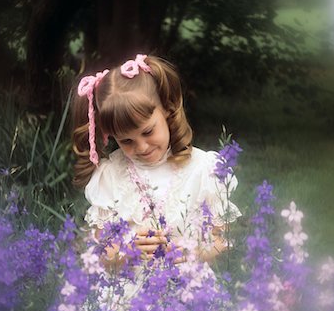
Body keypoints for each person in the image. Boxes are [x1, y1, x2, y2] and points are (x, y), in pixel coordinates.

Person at [72, 54, 240, 266]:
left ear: (167, 109)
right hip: (128, 289)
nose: (141, 147)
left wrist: (194, 253)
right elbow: (101, 251)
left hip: (188, 289)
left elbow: (222, 240)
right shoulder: (111, 174)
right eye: (126, 141)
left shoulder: (203, 169)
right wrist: (127, 252)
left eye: (148, 131)